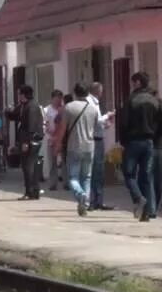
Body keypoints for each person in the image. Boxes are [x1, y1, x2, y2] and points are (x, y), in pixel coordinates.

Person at [119, 72, 162, 222]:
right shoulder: (155, 100)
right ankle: (149, 211)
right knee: (146, 176)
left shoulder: (132, 99)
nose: (132, 85)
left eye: (133, 82)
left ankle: (138, 198)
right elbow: (161, 123)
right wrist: (155, 140)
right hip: (149, 142)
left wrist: (123, 141)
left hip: (133, 141)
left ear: (137, 83)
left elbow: (124, 123)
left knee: (129, 174)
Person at [61, 83, 98, 216]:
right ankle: (86, 202)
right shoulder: (93, 109)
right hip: (89, 146)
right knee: (87, 177)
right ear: (87, 93)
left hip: (74, 146)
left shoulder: (69, 107)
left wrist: (58, 143)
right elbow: (95, 127)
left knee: (73, 177)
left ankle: (80, 194)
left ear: (74, 93)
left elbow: (63, 128)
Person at [86, 82, 115, 210]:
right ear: (97, 91)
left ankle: (98, 200)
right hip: (94, 140)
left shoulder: (94, 102)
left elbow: (98, 123)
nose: (102, 94)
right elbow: (96, 120)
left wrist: (105, 125)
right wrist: (108, 116)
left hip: (97, 137)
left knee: (99, 171)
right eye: (101, 91)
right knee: (94, 170)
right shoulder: (91, 103)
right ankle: (93, 200)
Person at [15, 86, 44, 200]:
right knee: (31, 166)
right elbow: (16, 116)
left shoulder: (31, 106)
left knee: (28, 167)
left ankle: (30, 191)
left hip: (31, 140)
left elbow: (31, 126)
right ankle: (34, 190)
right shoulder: (26, 106)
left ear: (24, 95)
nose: (19, 96)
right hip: (31, 139)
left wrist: (26, 142)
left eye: (20, 94)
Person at [43, 90, 65, 191]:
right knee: (52, 162)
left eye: (60, 99)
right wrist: (50, 136)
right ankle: (53, 183)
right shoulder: (47, 110)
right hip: (51, 138)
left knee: (65, 161)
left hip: (63, 138)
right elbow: (44, 125)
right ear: (52, 99)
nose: (59, 101)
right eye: (57, 99)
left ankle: (67, 182)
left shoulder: (64, 109)